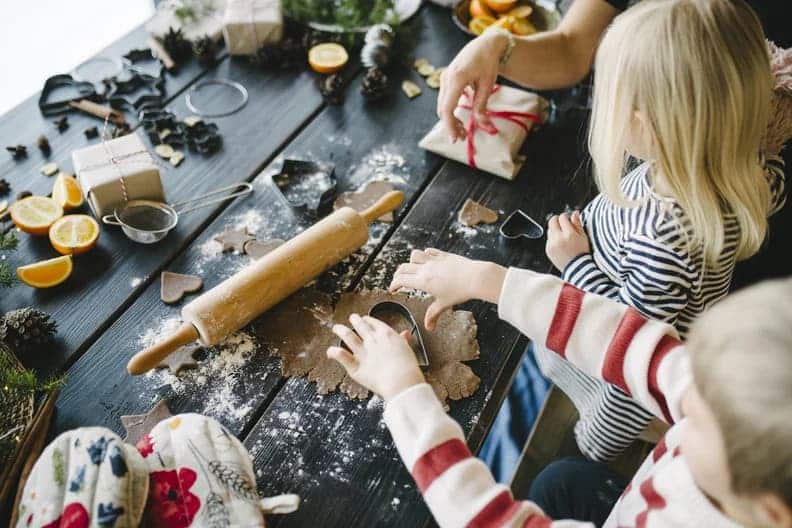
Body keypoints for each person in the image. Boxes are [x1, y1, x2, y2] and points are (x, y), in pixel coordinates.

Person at [455, 0, 789, 470]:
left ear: (650, 125)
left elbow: (626, 336)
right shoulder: (735, 166)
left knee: (571, 452)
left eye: (613, 100)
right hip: (632, 313)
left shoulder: (668, 234)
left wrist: (575, 264)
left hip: (615, 389)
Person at [327, 249, 792, 527]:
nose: (681, 396)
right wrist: (491, 281)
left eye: (696, 420)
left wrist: (404, 390)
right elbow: (633, 346)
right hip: (639, 501)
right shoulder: (732, 401)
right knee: (560, 479)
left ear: (768, 511)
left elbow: (488, 521)